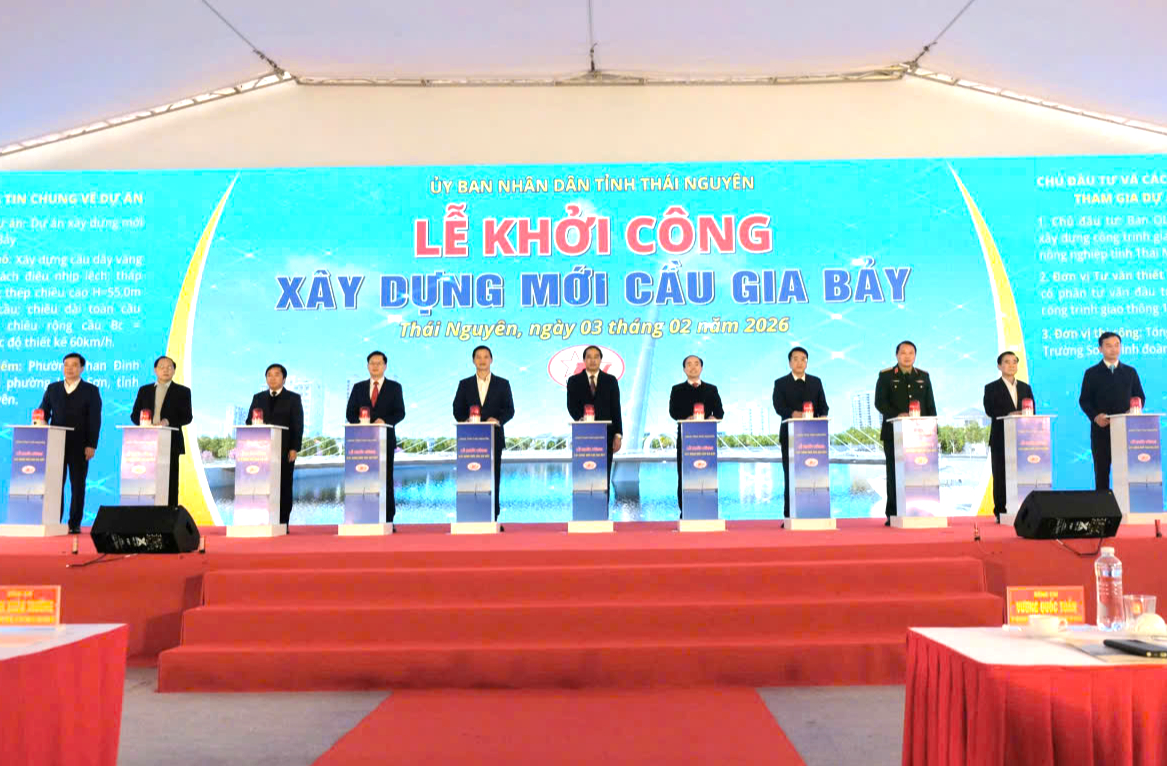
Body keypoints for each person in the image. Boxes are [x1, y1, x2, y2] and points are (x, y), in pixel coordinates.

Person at [38, 352, 102, 533]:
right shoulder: (53, 388)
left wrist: (91, 444)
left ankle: (74, 523)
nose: (69, 368)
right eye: (66, 365)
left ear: (82, 368)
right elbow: (43, 411)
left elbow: (95, 420)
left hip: (79, 445)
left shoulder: (91, 390)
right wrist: (40, 421)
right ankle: (54, 521)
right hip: (55, 444)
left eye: (74, 365)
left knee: (77, 485)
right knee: (55, 484)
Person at [874, 341, 937, 525]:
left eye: (911, 353)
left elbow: (930, 405)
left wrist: (933, 432)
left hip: (921, 436)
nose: (907, 356)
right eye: (903, 353)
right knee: (894, 474)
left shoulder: (923, 376)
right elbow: (880, 402)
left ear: (915, 356)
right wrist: (897, 414)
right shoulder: (886, 376)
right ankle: (893, 514)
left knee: (921, 473)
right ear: (897, 355)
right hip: (894, 433)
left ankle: (922, 511)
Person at [452, 345, 515, 521]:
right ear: (473, 360)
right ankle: (469, 515)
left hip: (494, 438)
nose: (482, 360)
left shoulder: (502, 384)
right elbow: (457, 409)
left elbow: (510, 410)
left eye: (485, 357)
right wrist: (466, 419)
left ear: (491, 360)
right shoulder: (464, 384)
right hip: (470, 441)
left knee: (493, 478)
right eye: (478, 357)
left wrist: (498, 419)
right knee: (470, 477)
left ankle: (493, 516)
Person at [1079, 332, 1146, 492]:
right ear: (1100, 349)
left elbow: (1140, 397)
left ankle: (1124, 505)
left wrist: (1133, 411)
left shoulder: (1130, 372)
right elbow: (1084, 400)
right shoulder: (1091, 373)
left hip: (1125, 430)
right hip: (1101, 430)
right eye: (1108, 346)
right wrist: (1095, 417)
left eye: (1117, 345)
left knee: (1126, 473)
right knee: (1102, 473)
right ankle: (1102, 507)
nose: (1113, 349)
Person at [345, 350, 406, 522]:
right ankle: (361, 516)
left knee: (386, 479)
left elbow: (400, 413)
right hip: (361, 442)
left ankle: (387, 519)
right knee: (362, 478)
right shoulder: (358, 388)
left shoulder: (395, 388)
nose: (375, 366)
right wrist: (362, 422)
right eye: (372, 363)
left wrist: (384, 420)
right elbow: (350, 413)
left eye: (379, 363)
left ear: (385, 366)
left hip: (385, 440)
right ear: (367, 366)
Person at [772, 346, 829, 518]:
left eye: (803, 359)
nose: (799, 362)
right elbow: (778, 406)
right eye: (795, 359)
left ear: (807, 363)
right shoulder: (780, 383)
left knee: (815, 474)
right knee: (791, 476)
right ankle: (790, 515)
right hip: (790, 436)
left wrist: (822, 416)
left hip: (814, 437)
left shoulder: (816, 382)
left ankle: (816, 512)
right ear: (790, 363)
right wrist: (793, 413)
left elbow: (823, 406)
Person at [245, 364, 304, 526]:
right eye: (269, 375)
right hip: (260, 452)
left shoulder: (293, 398)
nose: (272, 378)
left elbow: (297, 425)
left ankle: (283, 523)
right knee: (261, 486)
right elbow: (249, 421)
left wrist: (294, 448)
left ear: (284, 379)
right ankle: (262, 522)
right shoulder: (258, 398)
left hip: (284, 451)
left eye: (277, 375)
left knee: (284, 487)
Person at [130, 355, 193, 507]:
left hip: (170, 442)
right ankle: (143, 515)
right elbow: (134, 415)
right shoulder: (144, 390)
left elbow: (187, 417)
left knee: (170, 484)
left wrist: (167, 421)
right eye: (162, 367)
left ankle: (170, 516)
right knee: (144, 482)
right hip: (146, 443)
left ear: (174, 371)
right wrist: (144, 422)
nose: (166, 370)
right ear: (155, 370)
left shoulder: (183, 391)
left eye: (169, 367)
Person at [668, 354, 725, 511]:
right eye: (689, 364)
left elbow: (720, 412)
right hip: (686, 438)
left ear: (701, 368)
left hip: (707, 440)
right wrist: (687, 418)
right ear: (684, 369)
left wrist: (714, 417)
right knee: (684, 474)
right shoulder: (677, 389)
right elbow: (673, 412)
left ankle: (708, 509)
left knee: (707, 473)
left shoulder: (712, 389)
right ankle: (685, 511)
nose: (693, 367)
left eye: (696, 364)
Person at [982, 351, 1035, 520]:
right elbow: (990, 410)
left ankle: (1024, 511)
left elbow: (1032, 410)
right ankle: (1001, 511)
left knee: (1023, 475)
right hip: (1000, 437)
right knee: (1000, 476)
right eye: (1007, 362)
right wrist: (1010, 413)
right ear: (999, 366)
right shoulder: (991, 388)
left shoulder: (1025, 387)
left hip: (1023, 438)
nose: (1011, 365)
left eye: (1014, 362)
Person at [565, 345, 623, 497]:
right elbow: (571, 406)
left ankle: (603, 509)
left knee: (604, 479)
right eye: (589, 357)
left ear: (600, 360)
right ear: (584, 360)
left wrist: (618, 435)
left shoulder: (611, 381)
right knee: (584, 478)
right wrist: (582, 419)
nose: (592, 360)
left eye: (596, 357)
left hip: (606, 437)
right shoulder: (573, 381)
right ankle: (584, 507)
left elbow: (616, 409)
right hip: (583, 437)